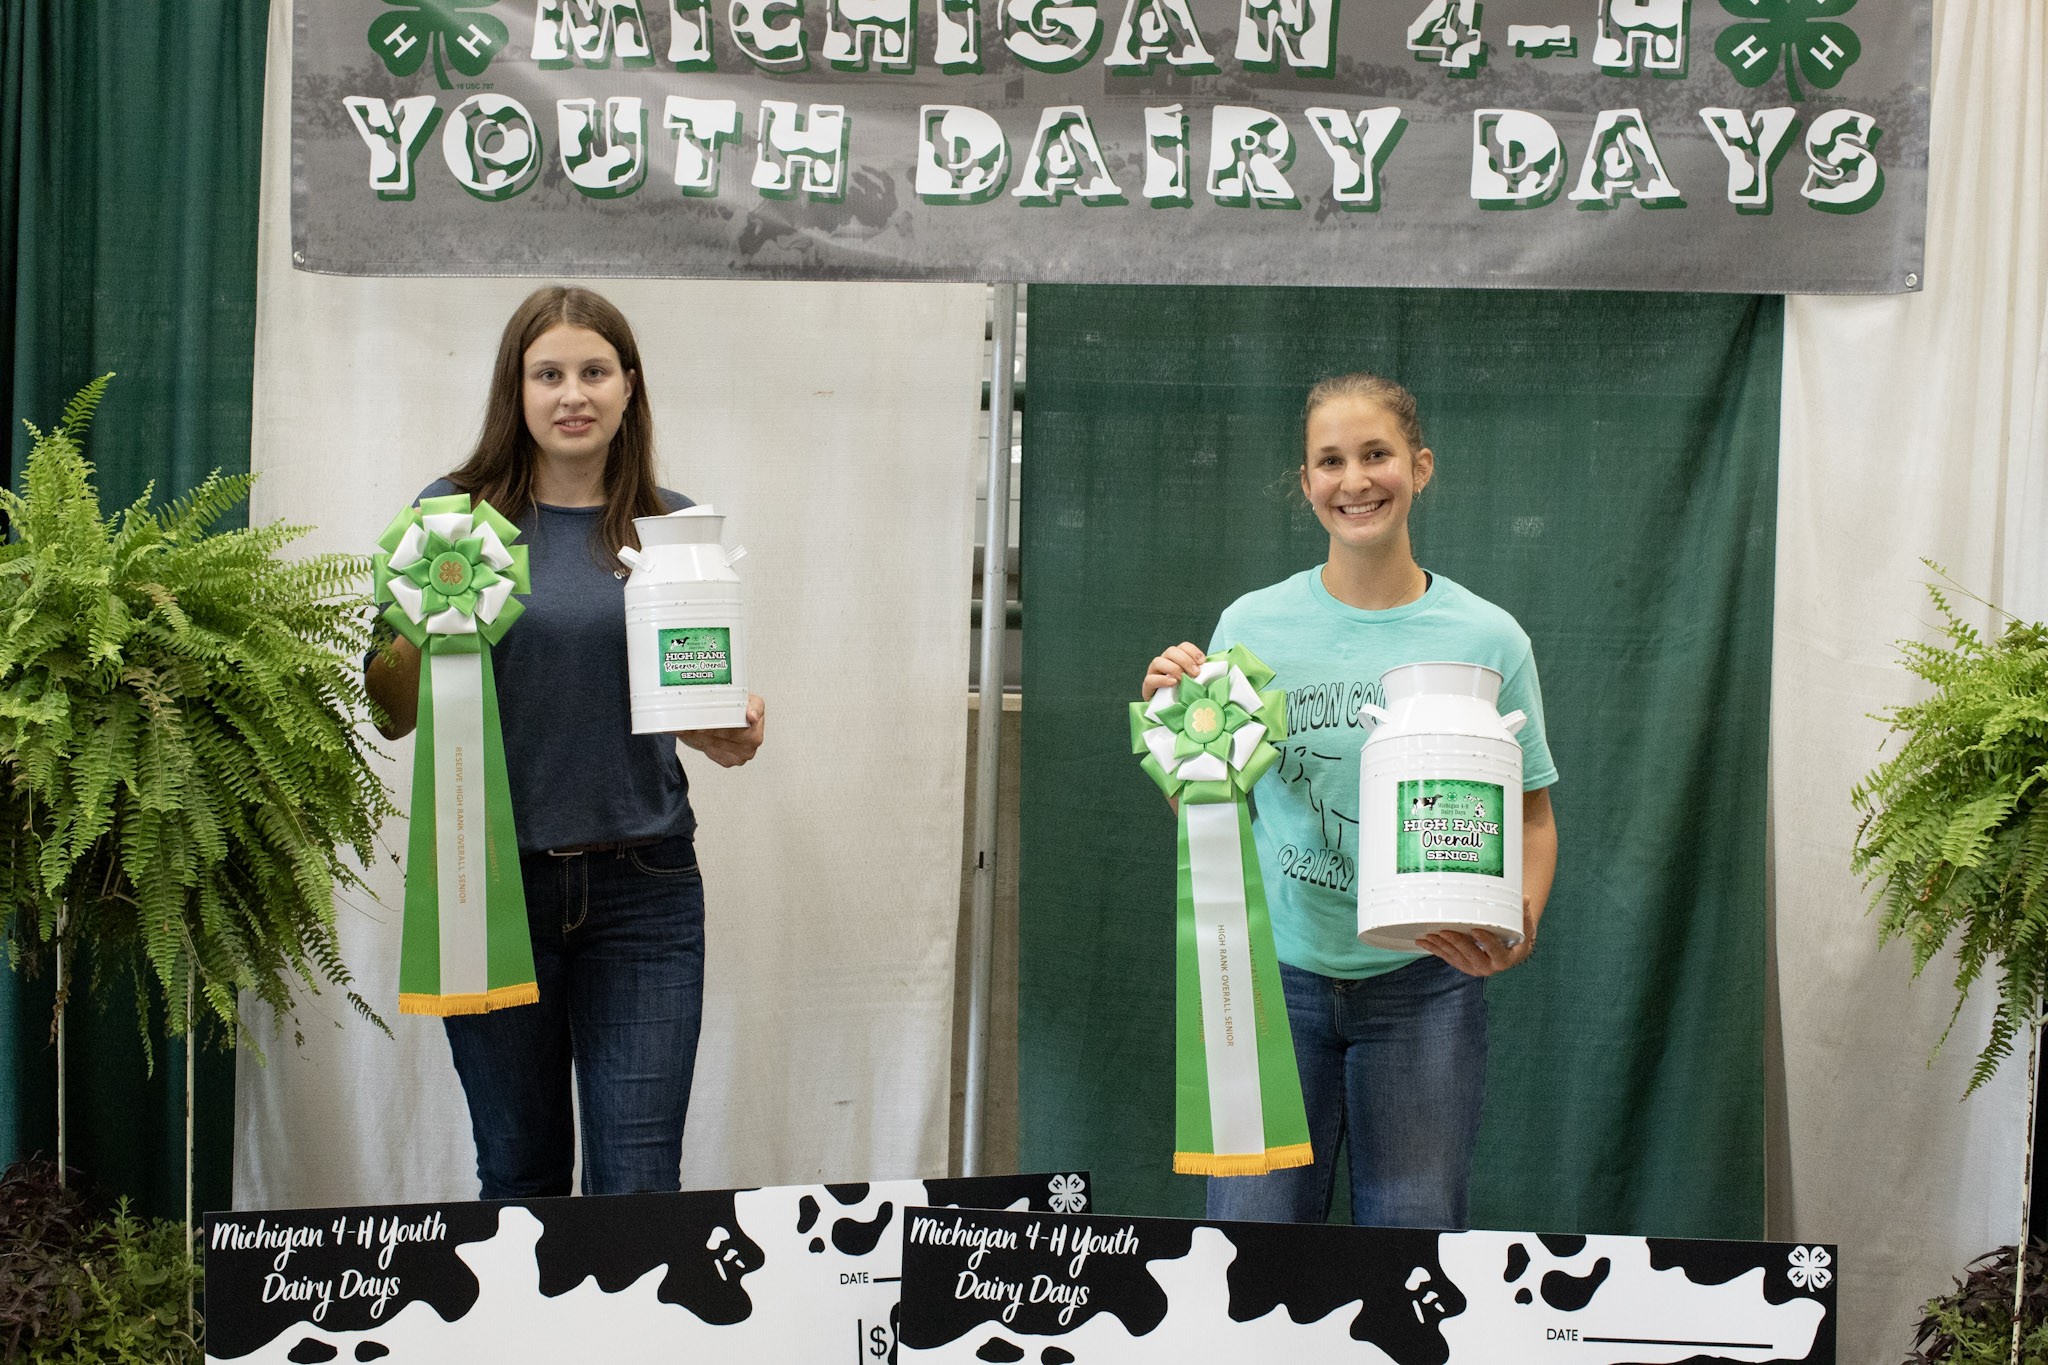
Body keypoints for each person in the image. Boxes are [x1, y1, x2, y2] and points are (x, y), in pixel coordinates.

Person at [365, 285, 766, 1199]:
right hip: (487, 888)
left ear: (630, 387)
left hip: (647, 894)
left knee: (636, 1187)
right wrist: (414, 627)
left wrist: (731, 732)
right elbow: (392, 709)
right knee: (521, 1175)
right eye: (549, 373)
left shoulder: (674, 527)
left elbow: (703, 707)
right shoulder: (450, 517)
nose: (572, 393)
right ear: (518, 389)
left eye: (594, 371)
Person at [1141, 372, 1558, 1230]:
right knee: (1249, 1246)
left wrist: (1517, 928)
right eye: (1329, 461)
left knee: (1412, 1244)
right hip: (1268, 984)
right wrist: (1172, 726)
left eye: (1377, 454)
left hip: (1428, 985)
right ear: (1305, 482)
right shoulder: (1250, 625)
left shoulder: (1489, 637)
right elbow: (1209, 818)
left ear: (1421, 465)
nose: (1355, 480)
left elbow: (1533, 816)